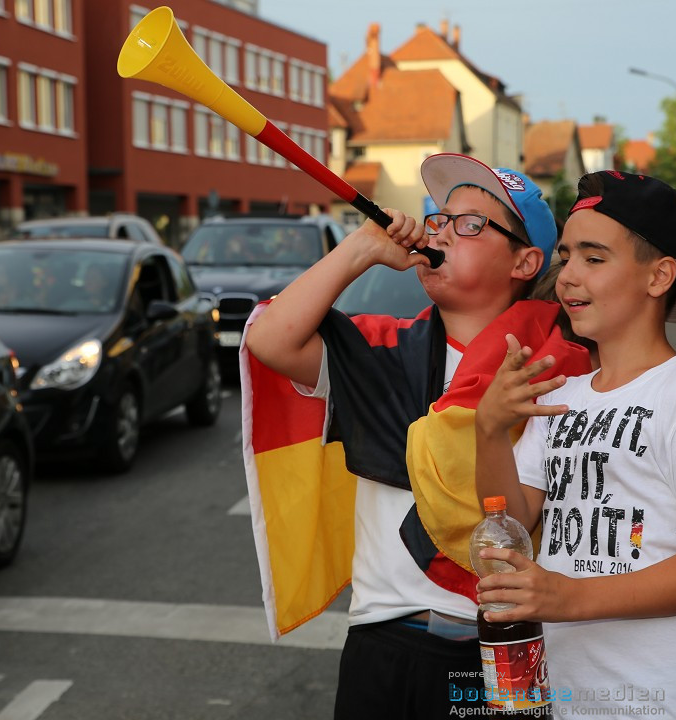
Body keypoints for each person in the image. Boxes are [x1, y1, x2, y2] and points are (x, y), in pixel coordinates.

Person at [245, 154, 588, 719]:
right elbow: (272, 339)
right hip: (386, 636)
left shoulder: (562, 366)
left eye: (471, 223)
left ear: (526, 261)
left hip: (508, 644)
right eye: (439, 219)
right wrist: (361, 250)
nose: (443, 232)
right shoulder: (381, 346)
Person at [474, 171, 676, 719]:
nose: (567, 277)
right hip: (570, 692)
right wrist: (489, 430)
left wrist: (572, 598)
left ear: (659, 277)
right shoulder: (563, 395)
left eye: (594, 258)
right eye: (566, 255)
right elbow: (513, 519)